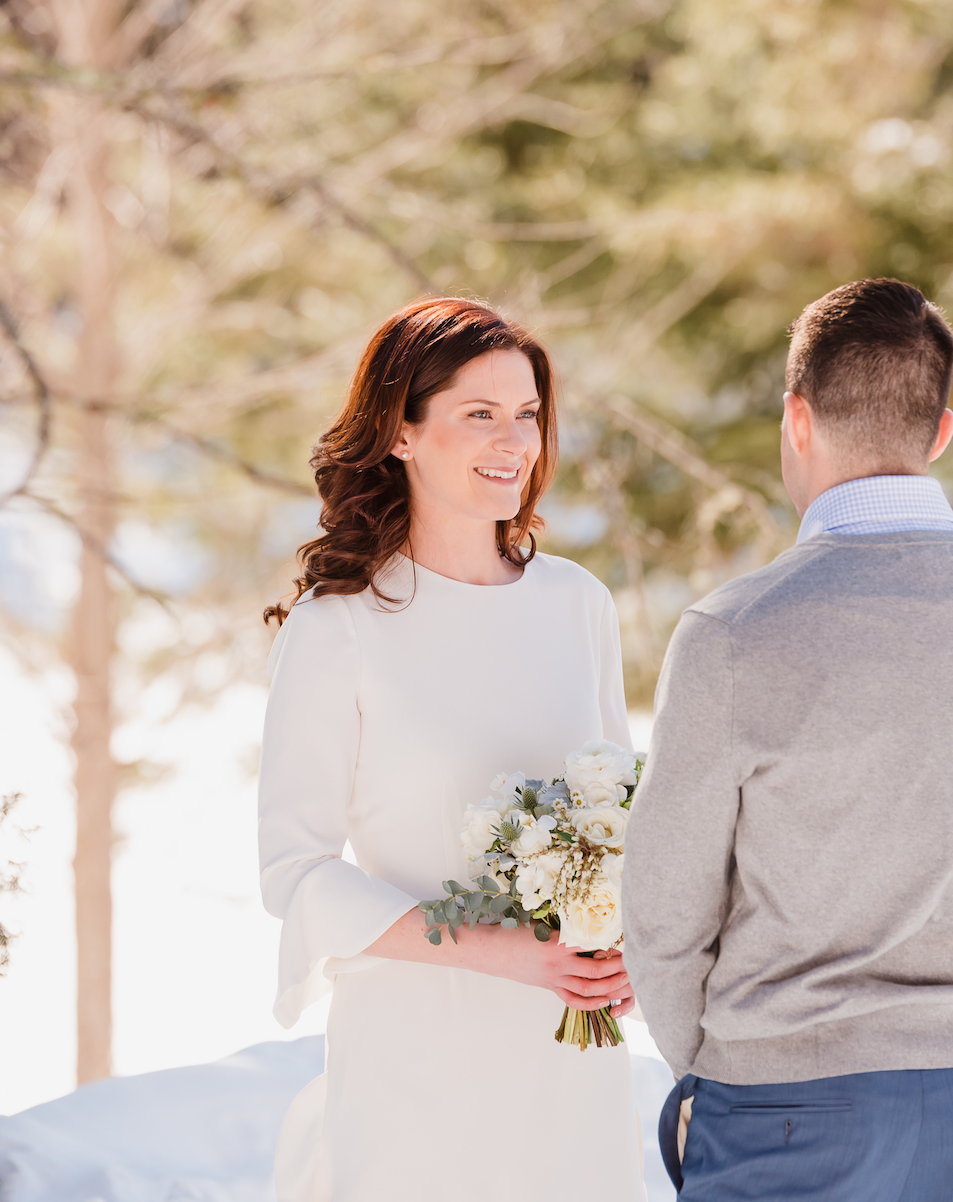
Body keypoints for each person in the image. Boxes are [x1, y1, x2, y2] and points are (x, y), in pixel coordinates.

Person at [622, 278, 953, 1202]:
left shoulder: (734, 631)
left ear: (796, 420)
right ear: (942, 432)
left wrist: (717, 1062)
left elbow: (665, 905)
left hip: (776, 1104)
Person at [257, 297, 644, 1201]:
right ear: (399, 430)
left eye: (529, 415)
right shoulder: (339, 628)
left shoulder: (578, 604)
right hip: (415, 1069)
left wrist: (623, 949)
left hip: (570, 1064)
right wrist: (505, 952)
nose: (515, 440)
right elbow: (299, 872)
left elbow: (618, 824)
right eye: (480, 414)